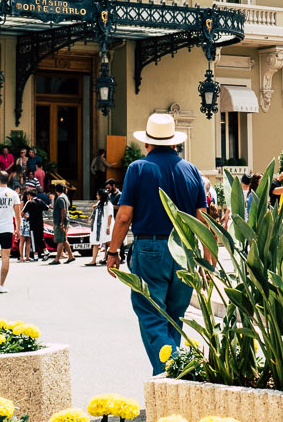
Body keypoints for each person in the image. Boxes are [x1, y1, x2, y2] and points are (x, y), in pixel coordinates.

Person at [106, 112, 208, 374]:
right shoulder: (191, 170)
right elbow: (204, 220)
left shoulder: (138, 169)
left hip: (150, 248)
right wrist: (208, 260)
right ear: (175, 142)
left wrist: (112, 251)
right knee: (175, 317)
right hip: (185, 249)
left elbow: (124, 216)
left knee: (152, 314)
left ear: (147, 143)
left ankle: (175, 372)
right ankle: (175, 378)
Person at [86, 188, 114, 265]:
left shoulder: (108, 204)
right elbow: (95, 211)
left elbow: (110, 216)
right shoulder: (99, 203)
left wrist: (108, 227)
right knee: (95, 243)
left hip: (104, 226)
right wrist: (91, 217)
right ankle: (93, 260)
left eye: (98, 195)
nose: (96, 196)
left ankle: (115, 258)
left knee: (109, 243)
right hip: (97, 227)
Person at [51, 183, 75, 264]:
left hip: (60, 222)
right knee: (64, 239)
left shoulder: (60, 198)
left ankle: (57, 259)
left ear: (56, 190)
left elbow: (63, 210)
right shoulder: (65, 197)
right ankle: (71, 256)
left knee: (60, 240)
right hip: (63, 221)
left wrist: (61, 222)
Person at [23, 189, 47, 261]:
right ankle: (46, 252)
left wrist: (27, 218)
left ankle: (36, 256)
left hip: (33, 224)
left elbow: (22, 213)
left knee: (34, 240)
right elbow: (48, 209)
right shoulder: (40, 201)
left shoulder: (29, 202)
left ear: (30, 195)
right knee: (40, 239)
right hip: (40, 223)